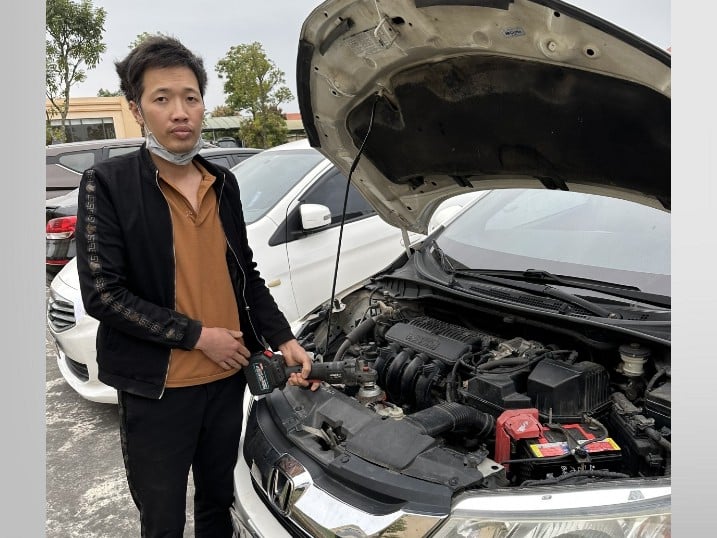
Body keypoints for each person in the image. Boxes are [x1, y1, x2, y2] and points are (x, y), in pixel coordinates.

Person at [75, 35, 317, 537]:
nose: (180, 112)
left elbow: (244, 274)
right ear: (136, 109)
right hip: (157, 390)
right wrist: (198, 336)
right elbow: (104, 293)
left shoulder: (222, 182)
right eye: (161, 98)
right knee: (162, 518)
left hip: (226, 380)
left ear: (203, 104)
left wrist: (283, 338)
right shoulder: (108, 184)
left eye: (190, 97)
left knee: (217, 503)